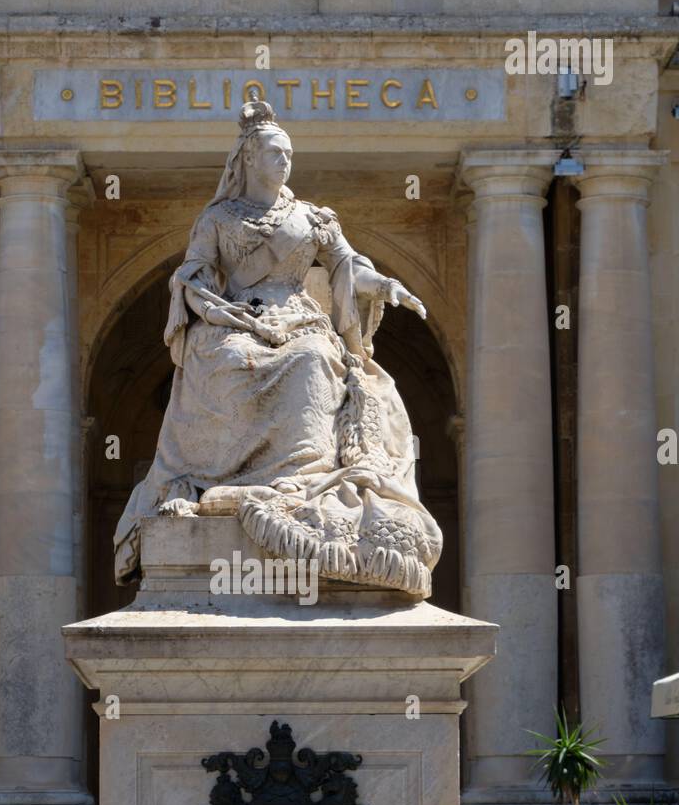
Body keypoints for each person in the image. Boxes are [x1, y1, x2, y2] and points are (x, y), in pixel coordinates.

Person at [114, 97, 443, 597]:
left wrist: (382, 285)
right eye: (274, 152)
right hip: (236, 317)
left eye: (288, 153)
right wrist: (207, 302)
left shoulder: (313, 218)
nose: (284, 161)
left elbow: (345, 265)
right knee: (222, 356)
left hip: (297, 319)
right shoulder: (218, 218)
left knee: (313, 359)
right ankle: (221, 474)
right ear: (248, 159)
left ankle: (300, 478)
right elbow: (196, 272)